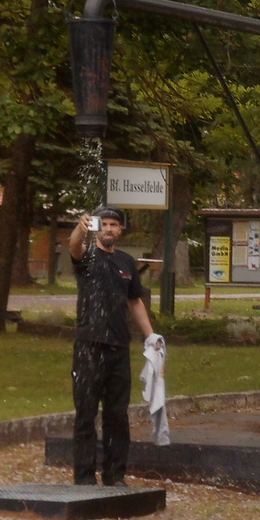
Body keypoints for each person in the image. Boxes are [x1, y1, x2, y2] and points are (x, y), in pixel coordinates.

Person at [69, 206, 161, 485]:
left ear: (121, 230)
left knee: (117, 415)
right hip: (89, 346)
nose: (109, 229)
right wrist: (79, 228)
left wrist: (151, 336)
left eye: (114, 225)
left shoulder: (126, 262)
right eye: (104, 224)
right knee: (86, 413)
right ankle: (84, 478)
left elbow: (135, 301)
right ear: (97, 228)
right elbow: (74, 247)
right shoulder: (87, 257)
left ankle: (115, 476)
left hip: (119, 346)